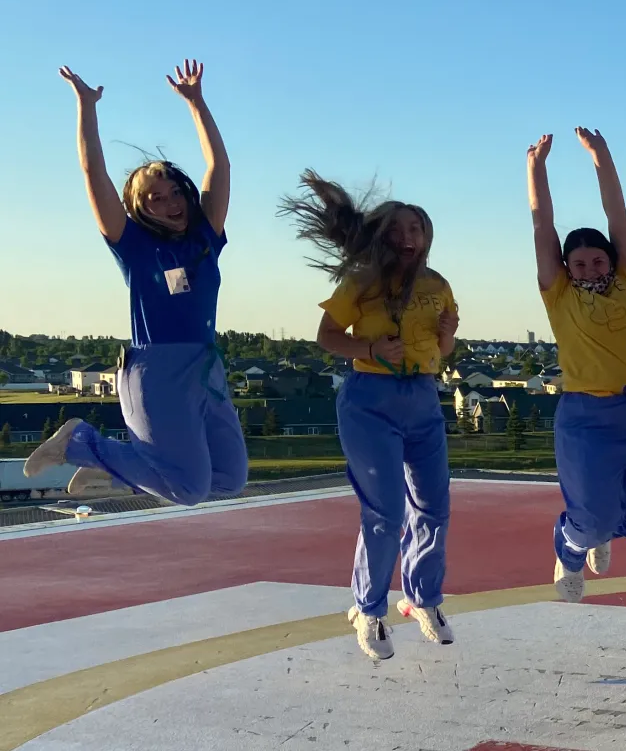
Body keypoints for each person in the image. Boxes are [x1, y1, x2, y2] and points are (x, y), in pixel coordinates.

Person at [26, 61, 248, 505]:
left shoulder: (205, 236)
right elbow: (94, 175)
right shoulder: (133, 243)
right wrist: (86, 108)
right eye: (154, 198)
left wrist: (197, 103)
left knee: (228, 478)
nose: (170, 204)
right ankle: (80, 443)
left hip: (206, 365)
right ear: (138, 208)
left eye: (175, 194)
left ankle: (112, 467)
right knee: (187, 489)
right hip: (156, 371)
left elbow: (219, 164)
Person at [282, 172, 459, 661]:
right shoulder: (361, 280)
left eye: (417, 229)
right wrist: (370, 347)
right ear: (383, 235)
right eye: (399, 229)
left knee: (434, 508)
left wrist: (448, 332)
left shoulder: (437, 283)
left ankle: (423, 597)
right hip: (370, 399)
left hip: (423, 396)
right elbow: (326, 335)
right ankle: (368, 607)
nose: (409, 238)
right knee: (385, 512)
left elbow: (444, 351)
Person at [528, 128, 626, 605]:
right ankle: (570, 550)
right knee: (587, 521)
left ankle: (603, 527)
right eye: (580, 263)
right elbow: (542, 228)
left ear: (610, 261)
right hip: (588, 418)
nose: (589, 268)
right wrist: (537, 170)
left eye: (597, 260)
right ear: (567, 268)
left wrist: (602, 156)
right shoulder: (561, 296)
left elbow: (619, 217)